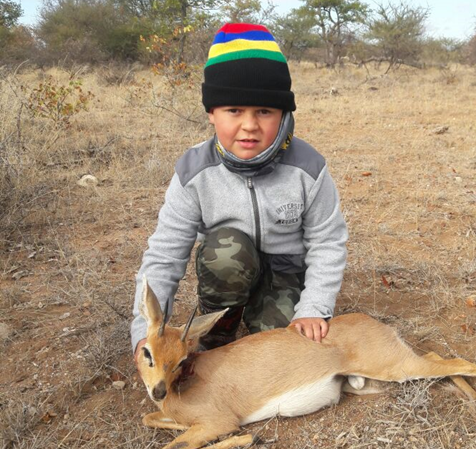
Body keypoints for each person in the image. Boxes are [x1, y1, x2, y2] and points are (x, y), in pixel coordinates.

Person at [131, 22, 348, 357]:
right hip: (229, 268)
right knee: (226, 249)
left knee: (285, 351)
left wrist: (314, 307)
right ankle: (222, 327)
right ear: (211, 113)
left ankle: (270, 311)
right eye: (234, 110)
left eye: (264, 111)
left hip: (286, 272)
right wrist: (145, 333)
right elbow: (164, 255)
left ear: (284, 114)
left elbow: (327, 241)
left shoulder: (309, 167)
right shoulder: (193, 172)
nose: (249, 125)